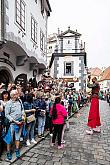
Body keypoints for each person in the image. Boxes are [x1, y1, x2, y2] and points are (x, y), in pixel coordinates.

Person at [5, 90, 25, 160]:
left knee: (18, 137)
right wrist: (14, 121)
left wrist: (23, 116)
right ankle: (8, 152)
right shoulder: (8, 103)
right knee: (9, 139)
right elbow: (6, 114)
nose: (18, 95)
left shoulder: (19, 101)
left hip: (20, 122)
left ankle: (17, 150)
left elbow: (22, 109)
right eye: (16, 94)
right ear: (13, 95)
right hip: (12, 124)